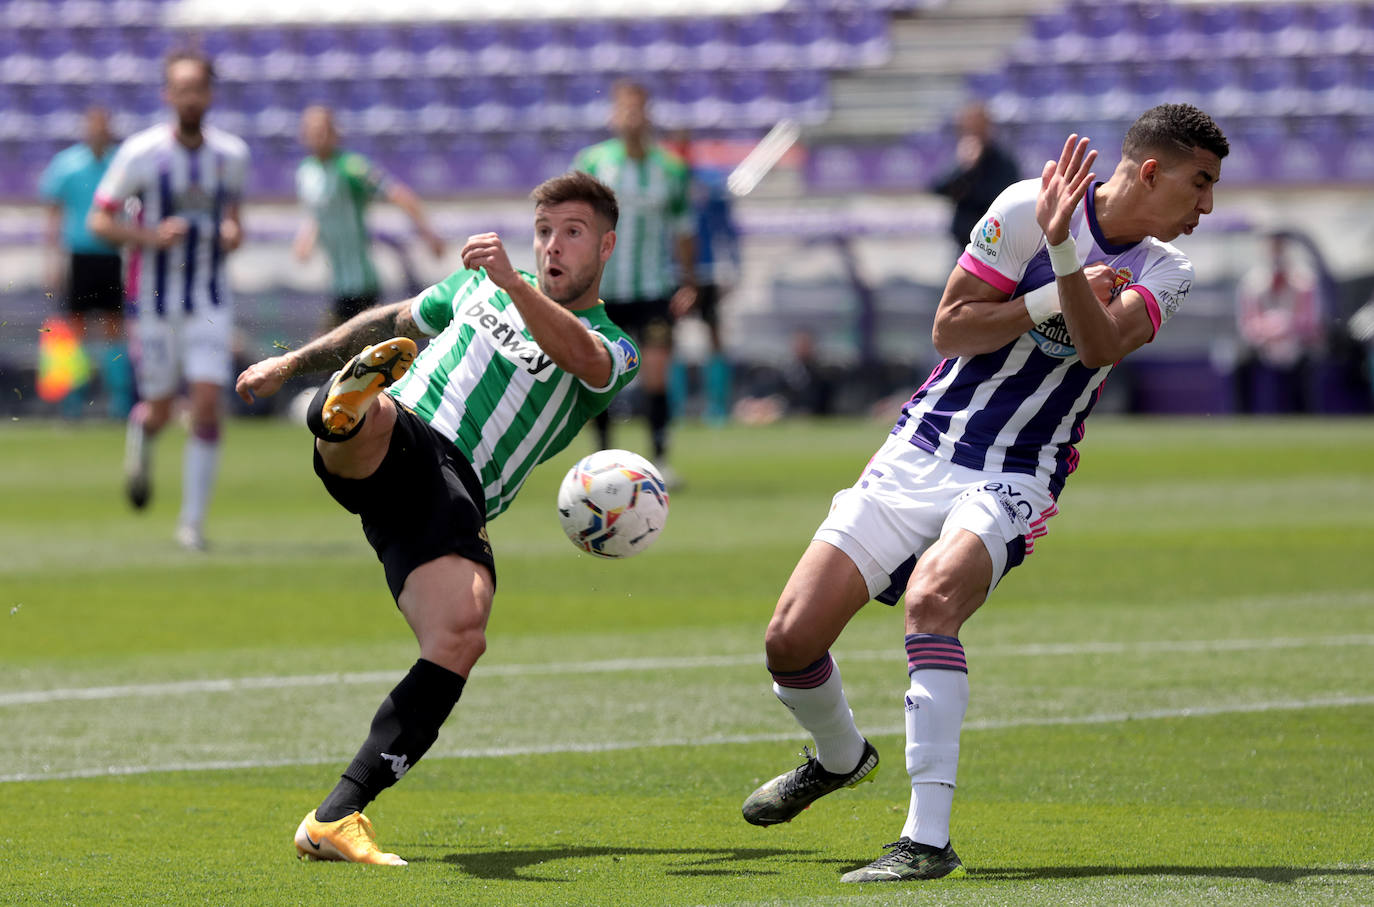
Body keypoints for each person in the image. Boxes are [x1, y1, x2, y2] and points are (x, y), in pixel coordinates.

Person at [740, 104, 1228, 882]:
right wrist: (1050, 275)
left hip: (1020, 470)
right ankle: (840, 758)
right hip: (922, 448)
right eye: (1199, 183)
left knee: (932, 600)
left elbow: (1101, 344)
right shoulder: (1016, 209)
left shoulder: (1169, 269)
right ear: (1149, 171)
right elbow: (950, 329)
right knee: (789, 640)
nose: (1207, 205)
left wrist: (1064, 249)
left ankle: (925, 842)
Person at [233, 171, 638, 866]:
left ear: (605, 246)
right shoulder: (476, 288)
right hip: (414, 437)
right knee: (386, 413)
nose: (552, 247)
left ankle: (335, 817)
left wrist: (514, 285)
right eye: (543, 232)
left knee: (460, 630)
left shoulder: (613, 345)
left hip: (448, 496)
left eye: (571, 233)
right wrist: (291, 363)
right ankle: (348, 406)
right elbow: (388, 320)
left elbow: (586, 362)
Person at [88, 49, 249, 551]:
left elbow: (237, 223)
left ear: (208, 94)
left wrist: (229, 234)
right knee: (159, 408)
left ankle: (192, 524)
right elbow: (100, 220)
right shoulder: (141, 153)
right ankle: (143, 432)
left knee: (206, 404)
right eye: (180, 88)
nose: (189, 96)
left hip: (209, 299)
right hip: (154, 302)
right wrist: (153, 237)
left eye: (197, 87)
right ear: (167, 94)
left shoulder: (231, 156)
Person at [572, 79, 695, 480]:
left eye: (637, 109)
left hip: (654, 290)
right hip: (604, 291)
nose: (630, 117)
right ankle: (602, 460)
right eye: (623, 109)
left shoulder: (670, 169)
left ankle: (660, 457)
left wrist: (688, 281)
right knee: (600, 374)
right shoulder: (593, 163)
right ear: (613, 115)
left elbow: (682, 229)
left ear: (647, 115)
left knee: (656, 371)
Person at [294, 105, 446, 328]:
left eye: (324, 130)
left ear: (335, 133)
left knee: (330, 352)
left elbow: (399, 195)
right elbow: (319, 211)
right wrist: (306, 237)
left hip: (361, 285)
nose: (319, 136)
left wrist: (429, 233)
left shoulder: (351, 168)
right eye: (313, 130)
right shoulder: (306, 172)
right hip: (337, 283)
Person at [38, 106, 133, 418]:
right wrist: (53, 260)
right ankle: (73, 402)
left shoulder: (120, 164)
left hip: (109, 255)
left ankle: (120, 402)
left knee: (114, 329)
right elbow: (55, 213)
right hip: (79, 256)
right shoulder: (67, 165)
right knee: (73, 329)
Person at [666, 130, 742, 425]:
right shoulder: (666, 182)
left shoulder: (710, 184)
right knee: (668, 338)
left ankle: (717, 407)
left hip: (708, 270)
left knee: (714, 335)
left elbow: (727, 227)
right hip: (671, 271)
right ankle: (674, 406)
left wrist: (733, 267)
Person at [1232, 232, 1323, 413]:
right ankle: (1243, 415)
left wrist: (1286, 327)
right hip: (1263, 345)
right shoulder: (1252, 283)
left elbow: (1311, 321)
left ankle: (1305, 414)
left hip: (1297, 342)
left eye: (1280, 247)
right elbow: (1246, 323)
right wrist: (1268, 332)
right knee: (1239, 364)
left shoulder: (1304, 281)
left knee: (1308, 367)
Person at [931, 101, 1021, 250]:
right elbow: (938, 188)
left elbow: (999, 197)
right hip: (963, 242)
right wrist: (964, 168)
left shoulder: (1002, 161)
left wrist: (970, 179)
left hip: (993, 243)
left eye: (976, 126)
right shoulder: (962, 159)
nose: (971, 131)